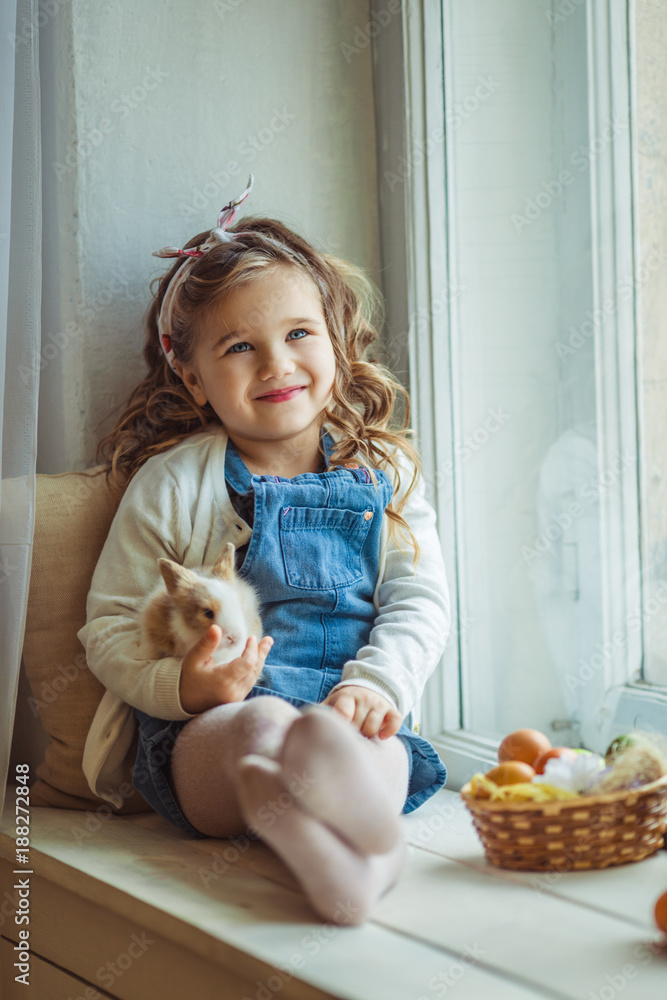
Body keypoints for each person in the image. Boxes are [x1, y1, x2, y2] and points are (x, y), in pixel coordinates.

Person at [77, 176, 450, 926]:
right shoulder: (174, 483)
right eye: (241, 346)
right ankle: (299, 811)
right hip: (216, 732)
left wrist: (376, 686)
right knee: (262, 729)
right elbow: (110, 626)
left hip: (348, 712)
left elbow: (421, 600)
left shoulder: (383, 470)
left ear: (335, 338)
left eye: (298, 334)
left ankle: (356, 866)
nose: (277, 364)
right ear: (193, 377)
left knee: (371, 751)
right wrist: (187, 688)